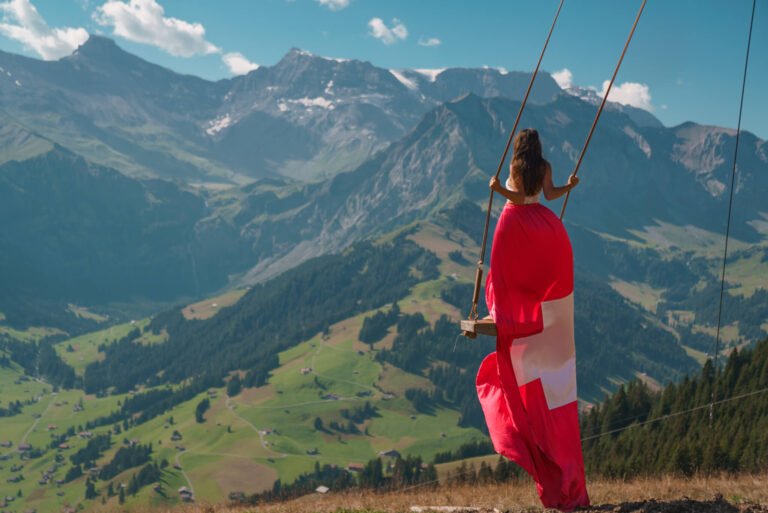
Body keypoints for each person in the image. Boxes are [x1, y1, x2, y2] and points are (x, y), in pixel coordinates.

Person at [475, 128, 590, 511]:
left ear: (519, 147)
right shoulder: (545, 166)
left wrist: (497, 188)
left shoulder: (515, 166)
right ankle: (532, 314)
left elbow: (516, 198)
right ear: (539, 148)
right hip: (541, 226)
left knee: (507, 278)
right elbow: (549, 196)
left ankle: (506, 311)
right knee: (537, 281)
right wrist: (568, 185)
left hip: (513, 224)